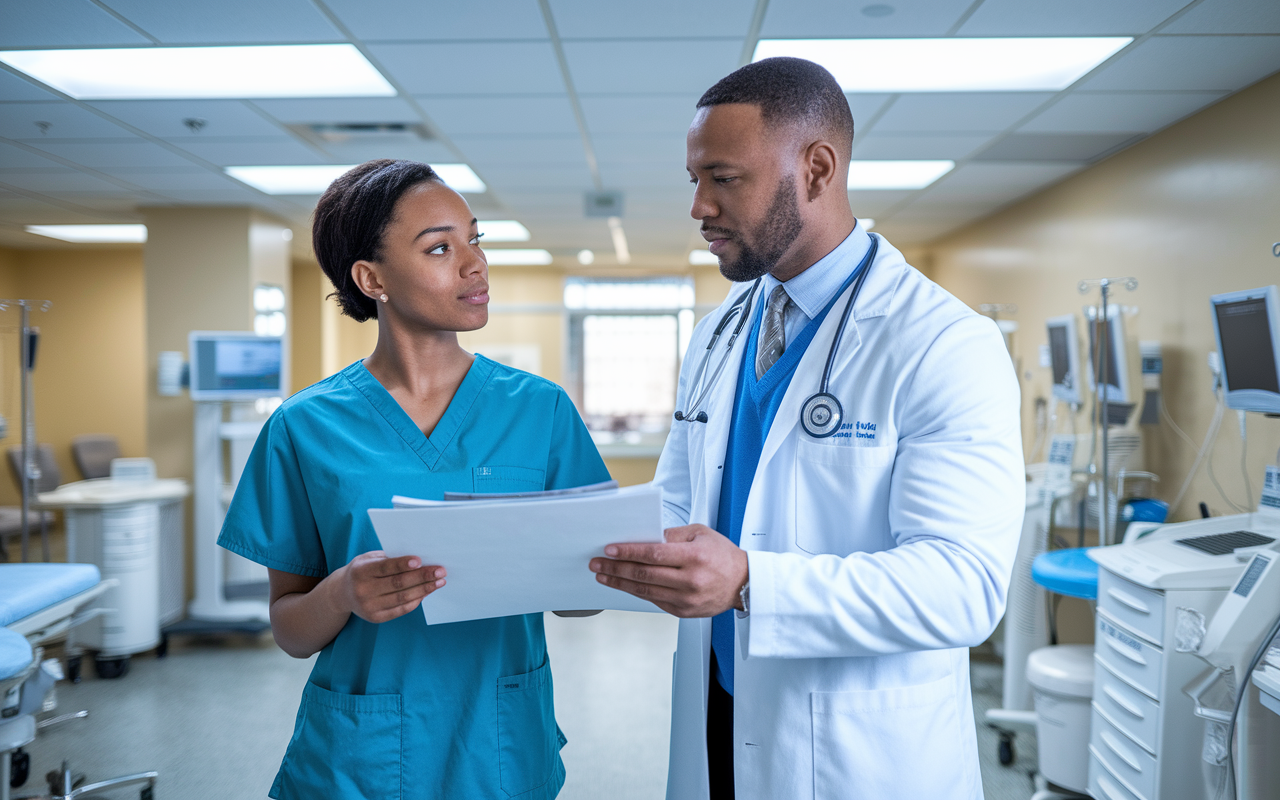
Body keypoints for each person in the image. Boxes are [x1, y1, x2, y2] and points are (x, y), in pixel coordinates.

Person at [590, 58, 1024, 800]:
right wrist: (558, 546)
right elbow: (678, 507)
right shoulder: (720, 333)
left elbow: (964, 586)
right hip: (719, 716)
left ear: (817, 168)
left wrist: (754, 582)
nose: (698, 206)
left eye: (724, 178)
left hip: (857, 751)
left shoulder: (942, 343)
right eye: (694, 179)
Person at [218, 159, 609, 800]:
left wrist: (575, 568)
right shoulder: (304, 426)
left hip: (499, 744)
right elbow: (289, 629)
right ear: (372, 279)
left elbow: (585, 595)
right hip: (358, 758)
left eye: (475, 239)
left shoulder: (541, 411)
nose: (474, 264)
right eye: (439, 248)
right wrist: (343, 592)